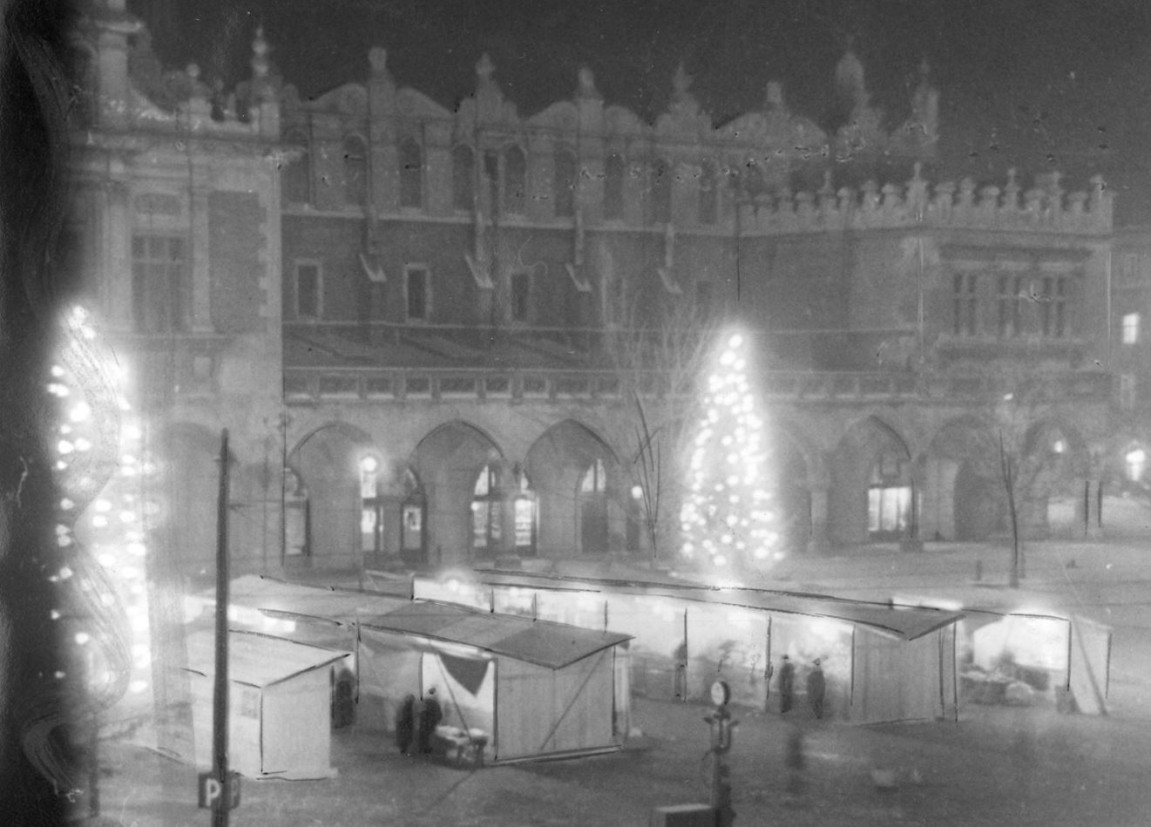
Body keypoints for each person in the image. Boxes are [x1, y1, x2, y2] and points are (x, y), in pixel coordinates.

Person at [417, 687, 443, 754]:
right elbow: (440, 715)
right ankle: (426, 751)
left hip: (424, 723)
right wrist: (436, 721)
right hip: (431, 723)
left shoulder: (425, 701)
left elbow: (420, 712)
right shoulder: (436, 704)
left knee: (422, 736)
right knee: (428, 737)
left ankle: (420, 750)